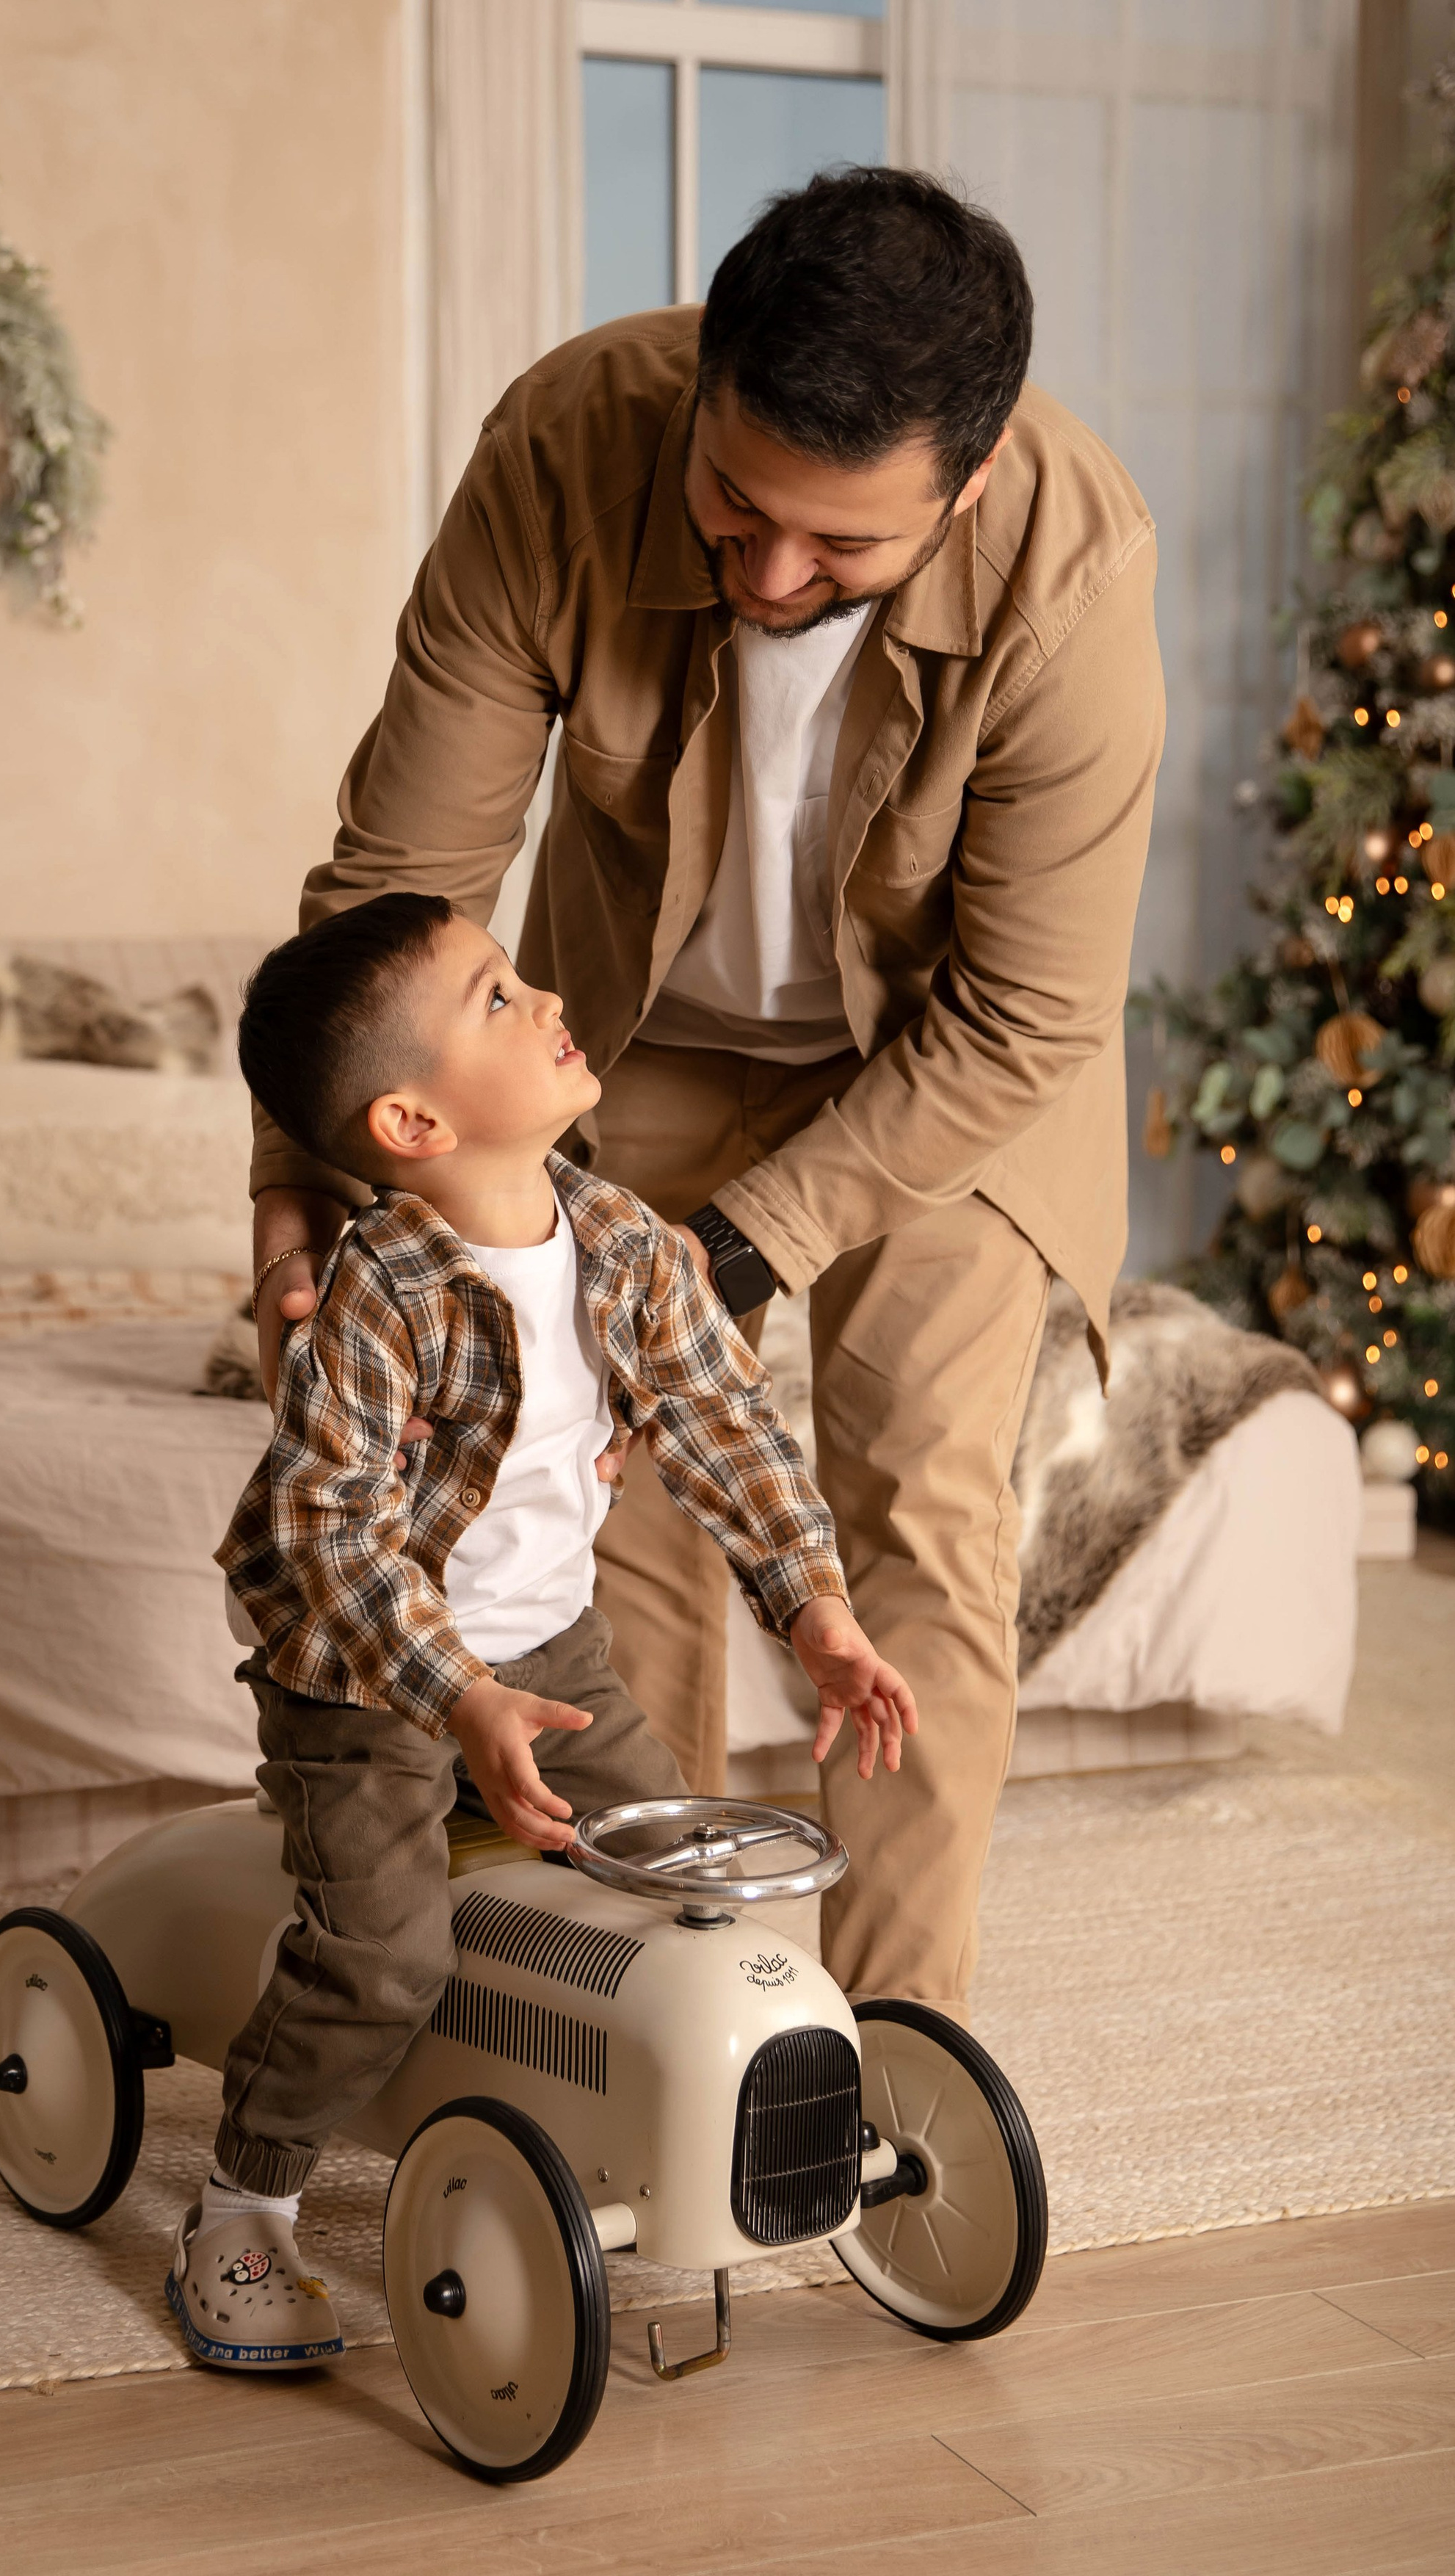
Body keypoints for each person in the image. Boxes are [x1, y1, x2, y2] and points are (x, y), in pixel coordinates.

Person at [247, 168, 1165, 2033]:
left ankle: (885, 2050)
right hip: (642, 1036)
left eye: (838, 545)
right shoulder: (562, 446)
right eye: (735, 506)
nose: (765, 577)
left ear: (967, 481)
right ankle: (635, 2015)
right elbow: (402, 886)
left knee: (913, 1505)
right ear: (699, 392)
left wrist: (730, 1255)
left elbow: (1026, 1010)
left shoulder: (1071, 569)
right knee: (613, 1507)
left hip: (944, 1068)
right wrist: (306, 1176)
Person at [169, 892, 916, 2370]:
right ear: (412, 1121)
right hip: (370, 1674)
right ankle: (242, 2204)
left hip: (554, 1655)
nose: (547, 999)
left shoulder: (623, 1242)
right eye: (496, 1001)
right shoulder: (373, 1300)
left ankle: (647, 2123)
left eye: (517, 977)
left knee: (687, 1881)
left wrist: (816, 1609)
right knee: (382, 1956)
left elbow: (724, 1423)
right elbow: (333, 1538)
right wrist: (459, 1702)